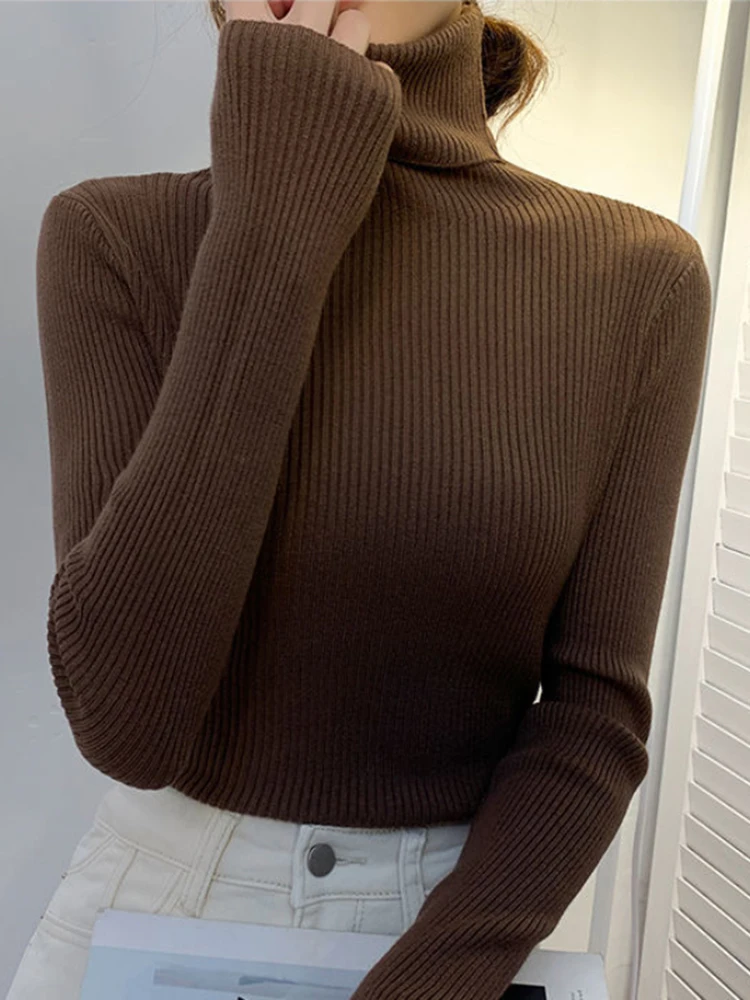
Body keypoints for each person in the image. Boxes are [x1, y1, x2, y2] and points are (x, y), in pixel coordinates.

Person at [9, 0, 713, 997]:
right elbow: (127, 723)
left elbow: (594, 714)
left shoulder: (637, 277)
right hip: (156, 909)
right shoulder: (113, 236)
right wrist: (272, 224)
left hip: (444, 935)